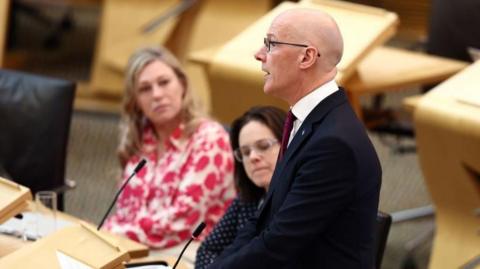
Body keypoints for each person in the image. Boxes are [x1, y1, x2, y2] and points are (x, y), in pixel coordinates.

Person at [209, 8, 381, 269]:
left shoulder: (334, 144)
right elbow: (262, 220)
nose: (259, 54)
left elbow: (278, 243)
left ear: (307, 57)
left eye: (271, 44)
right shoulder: (308, 122)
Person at [104, 46, 235, 249]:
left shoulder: (210, 139)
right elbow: (125, 213)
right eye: (145, 89)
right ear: (136, 101)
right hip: (136, 247)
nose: (157, 94)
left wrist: (111, 234)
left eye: (164, 83)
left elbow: (182, 222)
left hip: (191, 251)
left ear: (182, 85)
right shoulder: (140, 141)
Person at [195, 106, 286, 269]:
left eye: (263, 146)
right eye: (245, 152)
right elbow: (207, 250)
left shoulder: (299, 201)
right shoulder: (246, 201)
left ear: (288, 145)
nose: (253, 157)